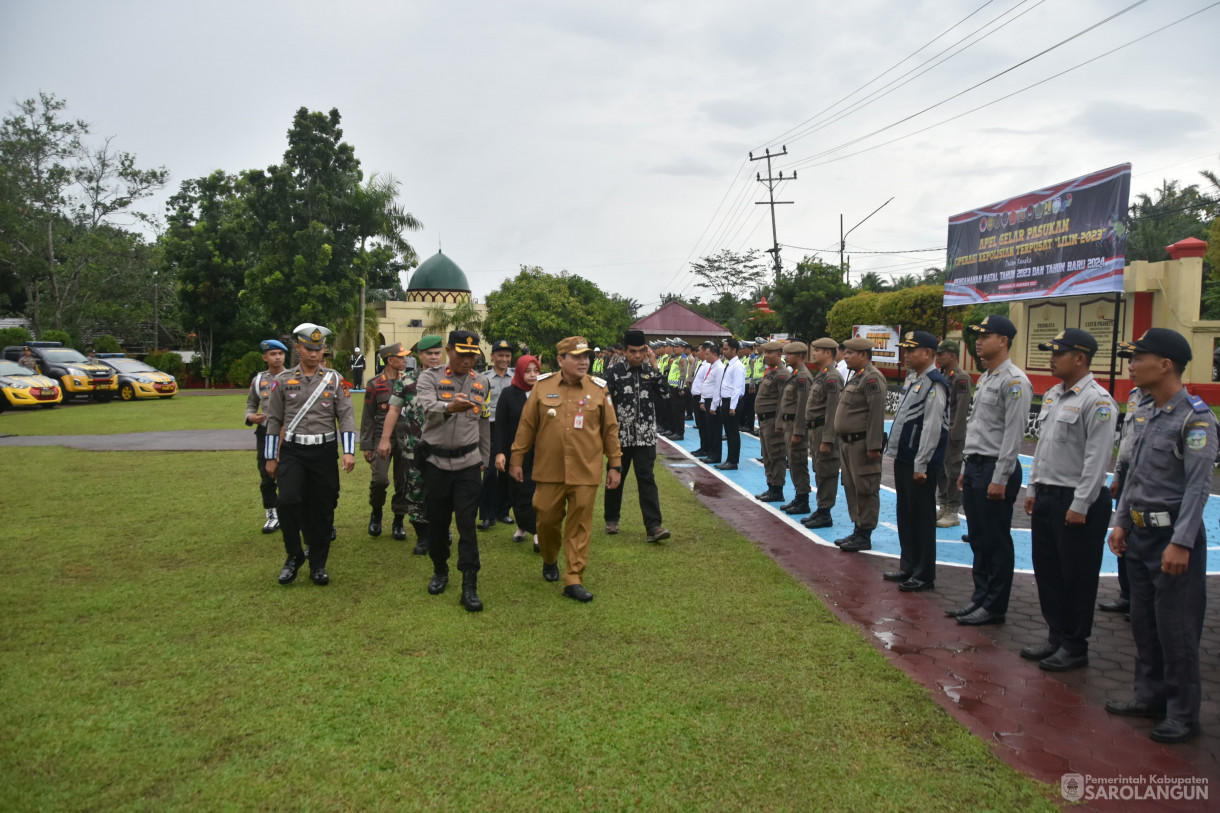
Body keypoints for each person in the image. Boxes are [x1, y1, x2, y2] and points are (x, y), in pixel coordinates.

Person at [1106, 329, 1216, 744]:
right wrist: (1120, 522)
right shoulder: (1148, 411)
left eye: (1139, 357)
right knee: (1145, 624)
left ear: (1165, 364)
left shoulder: (1195, 418)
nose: (1131, 365)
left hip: (1172, 539)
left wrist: (1182, 542)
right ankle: (1149, 695)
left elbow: (1198, 487)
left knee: (1177, 629)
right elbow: (1133, 474)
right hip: (1139, 534)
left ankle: (1183, 713)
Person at [1021, 328, 1115, 672]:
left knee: (1076, 576)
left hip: (1077, 501)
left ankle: (1075, 645)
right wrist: (1033, 489)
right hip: (1047, 496)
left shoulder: (1098, 401)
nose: (1052, 358)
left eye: (1058, 353)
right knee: (1048, 571)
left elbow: (1097, 458)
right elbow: (1043, 450)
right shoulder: (1053, 396)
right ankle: (1056, 636)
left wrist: (1081, 503)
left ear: (1080, 358)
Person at [510, 336, 623, 603]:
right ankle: (550, 559)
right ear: (561, 360)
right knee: (547, 519)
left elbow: (610, 429)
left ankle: (573, 578)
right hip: (549, 470)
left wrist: (615, 464)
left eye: (586, 357)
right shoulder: (542, 386)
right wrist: (517, 458)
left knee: (580, 525)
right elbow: (527, 425)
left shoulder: (599, 389)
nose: (584, 362)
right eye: (577, 357)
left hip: (585, 470)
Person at [950, 315, 1031, 626]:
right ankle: (980, 597)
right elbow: (979, 427)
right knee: (979, 538)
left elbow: (1013, 435)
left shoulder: (1014, 382)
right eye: (978, 336)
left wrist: (1000, 476)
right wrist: (966, 465)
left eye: (986, 335)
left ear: (1004, 341)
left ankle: (995, 605)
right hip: (976, 465)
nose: (979, 341)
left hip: (997, 468)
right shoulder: (986, 377)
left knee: (996, 539)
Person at [264, 323, 357, 586]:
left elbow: (346, 418)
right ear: (298, 348)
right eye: (308, 348)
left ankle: (318, 563)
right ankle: (294, 555)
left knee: (323, 509)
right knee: (287, 501)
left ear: (324, 349)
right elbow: (274, 420)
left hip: (324, 451)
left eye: (319, 349)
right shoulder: (282, 381)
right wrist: (271, 457)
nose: (314, 354)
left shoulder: (335, 379)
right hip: (293, 450)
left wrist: (348, 452)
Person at [414, 330, 492, 611]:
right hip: (436, 463)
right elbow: (425, 404)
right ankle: (440, 569)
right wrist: (449, 407)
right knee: (437, 522)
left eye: (473, 355)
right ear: (448, 350)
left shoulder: (481, 381)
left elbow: (483, 421)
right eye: (462, 354)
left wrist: (484, 457)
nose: (468, 360)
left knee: (467, 524)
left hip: (469, 464)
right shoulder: (430, 377)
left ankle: (469, 583)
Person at [884, 331, 949, 590]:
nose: (907, 355)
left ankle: (923, 574)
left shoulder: (935, 383)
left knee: (921, 518)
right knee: (906, 514)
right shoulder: (915, 380)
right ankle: (908, 565)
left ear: (928, 354)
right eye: (905, 350)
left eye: (912, 350)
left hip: (919, 462)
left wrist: (921, 464)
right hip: (905, 457)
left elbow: (932, 428)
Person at [377, 334, 445, 555]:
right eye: (429, 354)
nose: (434, 357)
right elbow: (394, 410)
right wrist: (385, 439)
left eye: (437, 353)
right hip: (414, 447)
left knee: (441, 493)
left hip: (444, 448)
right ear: (420, 355)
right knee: (415, 492)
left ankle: (441, 531)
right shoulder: (406, 381)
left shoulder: (450, 379)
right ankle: (423, 536)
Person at [603, 329, 671, 542]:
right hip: (620, 437)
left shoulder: (650, 372)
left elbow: (665, 393)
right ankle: (611, 519)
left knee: (647, 480)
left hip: (645, 438)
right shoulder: (613, 372)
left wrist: (655, 366)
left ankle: (654, 526)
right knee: (616, 478)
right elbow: (604, 403)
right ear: (624, 351)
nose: (637, 356)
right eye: (633, 351)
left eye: (642, 351)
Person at [834, 337, 887, 551]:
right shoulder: (857, 377)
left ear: (863, 355)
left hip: (862, 444)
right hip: (848, 444)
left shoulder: (872, 379)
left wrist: (874, 446)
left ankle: (865, 533)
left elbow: (876, 414)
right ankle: (858, 528)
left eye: (850, 353)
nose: (845, 356)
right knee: (852, 488)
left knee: (866, 488)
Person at [360, 342, 413, 540]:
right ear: (390, 360)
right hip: (381, 438)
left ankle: (399, 520)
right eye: (401, 357)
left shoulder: (408, 381)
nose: (405, 360)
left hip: (405, 438)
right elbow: (367, 417)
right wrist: (366, 445)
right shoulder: (374, 384)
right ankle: (376, 512)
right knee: (380, 480)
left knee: (404, 482)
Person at [495, 355, 541, 550]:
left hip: (539, 452)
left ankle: (538, 531)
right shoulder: (508, 394)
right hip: (514, 452)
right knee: (516, 491)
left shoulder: (544, 392)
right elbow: (500, 426)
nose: (532, 375)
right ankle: (522, 525)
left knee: (533, 491)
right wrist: (499, 452)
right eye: (527, 371)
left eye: (535, 371)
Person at [245, 338, 287, 534]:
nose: (277, 357)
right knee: (266, 474)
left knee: (290, 474)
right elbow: (251, 405)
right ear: (265, 357)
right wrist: (250, 416)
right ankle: (272, 515)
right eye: (273, 354)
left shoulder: (293, 377)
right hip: (265, 433)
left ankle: (290, 513)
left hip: (288, 433)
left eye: (280, 354)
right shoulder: (258, 380)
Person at [801, 337, 844, 529]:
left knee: (827, 471)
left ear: (828, 353)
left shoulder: (832, 378)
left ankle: (825, 511)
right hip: (815, 430)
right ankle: (821, 508)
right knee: (819, 469)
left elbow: (833, 411)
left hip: (824, 431)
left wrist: (827, 439)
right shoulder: (822, 375)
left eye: (817, 350)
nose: (814, 352)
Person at [478, 339, 515, 530]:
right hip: (490, 428)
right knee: (490, 472)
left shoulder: (516, 377)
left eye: (507, 356)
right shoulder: (484, 378)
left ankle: (503, 511)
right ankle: (486, 515)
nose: (504, 359)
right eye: (500, 355)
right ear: (492, 356)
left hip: (510, 429)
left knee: (508, 471)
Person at [935, 340, 973, 528]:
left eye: (941, 354)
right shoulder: (942, 375)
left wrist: (956, 435)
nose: (938, 357)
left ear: (952, 355)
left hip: (952, 432)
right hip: (940, 430)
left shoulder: (961, 378)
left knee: (953, 471)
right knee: (941, 470)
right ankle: (943, 504)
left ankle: (953, 510)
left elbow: (961, 409)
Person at [778, 342, 814, 515]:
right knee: (793, 462)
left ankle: (803, 499)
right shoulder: (796, 374)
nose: (786, 357)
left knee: (798, 462)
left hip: (795, 425)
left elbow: (802, 407)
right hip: (789, 424)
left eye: (789, 354)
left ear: (799, 356)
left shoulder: (803, 377)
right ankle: (799, 496)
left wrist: (798, 431)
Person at [753, 340, 790, 502]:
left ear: (779, 354)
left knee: (776, 455)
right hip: (764, 420)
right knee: (768, 456)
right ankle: (771, 486)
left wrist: (779, 424)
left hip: (773, 421)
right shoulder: (771, 371)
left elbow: (783, 401)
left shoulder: (781, 374)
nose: (766, 356)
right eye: (765, 353)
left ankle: (777, 489)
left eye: (770, 353)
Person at [716, 338, 746, 470]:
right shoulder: (729, 364)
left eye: (726, 349)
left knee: (732, 433)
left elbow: (737, 388)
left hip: (733, 402)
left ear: (734, 350)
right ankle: (729, 459)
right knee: (728, 432)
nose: (723, 351)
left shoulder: (738, 366)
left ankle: (733, 461)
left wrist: (732, 406)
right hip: (726, 401)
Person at [696, 343, 725, 464]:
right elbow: (706, 384)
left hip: (714, 402)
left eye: (708, 354)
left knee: (715, 431)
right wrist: (702, 400)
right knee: (710, 429)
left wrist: (713, 405)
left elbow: (718, 387)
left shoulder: (719, 368)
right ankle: (711, 453)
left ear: (714, 354)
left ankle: (715, 455)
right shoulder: (711, 366)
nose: (705, 356)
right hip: (708, 401)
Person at [665, 340, 689, 440]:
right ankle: (674, 430)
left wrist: (680, 387)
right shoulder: (676, 358)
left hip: (678, 389)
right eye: (674, 346)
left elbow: (683, 374)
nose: (675, 348)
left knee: (679, 412)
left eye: (677, 347)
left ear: (683, 348)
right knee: (673, 411)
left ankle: (679, 433)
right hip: (672, 387)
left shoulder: (683, 359)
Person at [689, 345, 711, 455]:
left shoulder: (707, 365)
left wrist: (702, 399)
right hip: (696, 396)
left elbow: (705, 383)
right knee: (700, 424)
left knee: (704, 425)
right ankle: (703, 447)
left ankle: (706, 448)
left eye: (699, 350)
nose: (697, 352)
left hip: (701, 397)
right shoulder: (701, 363)